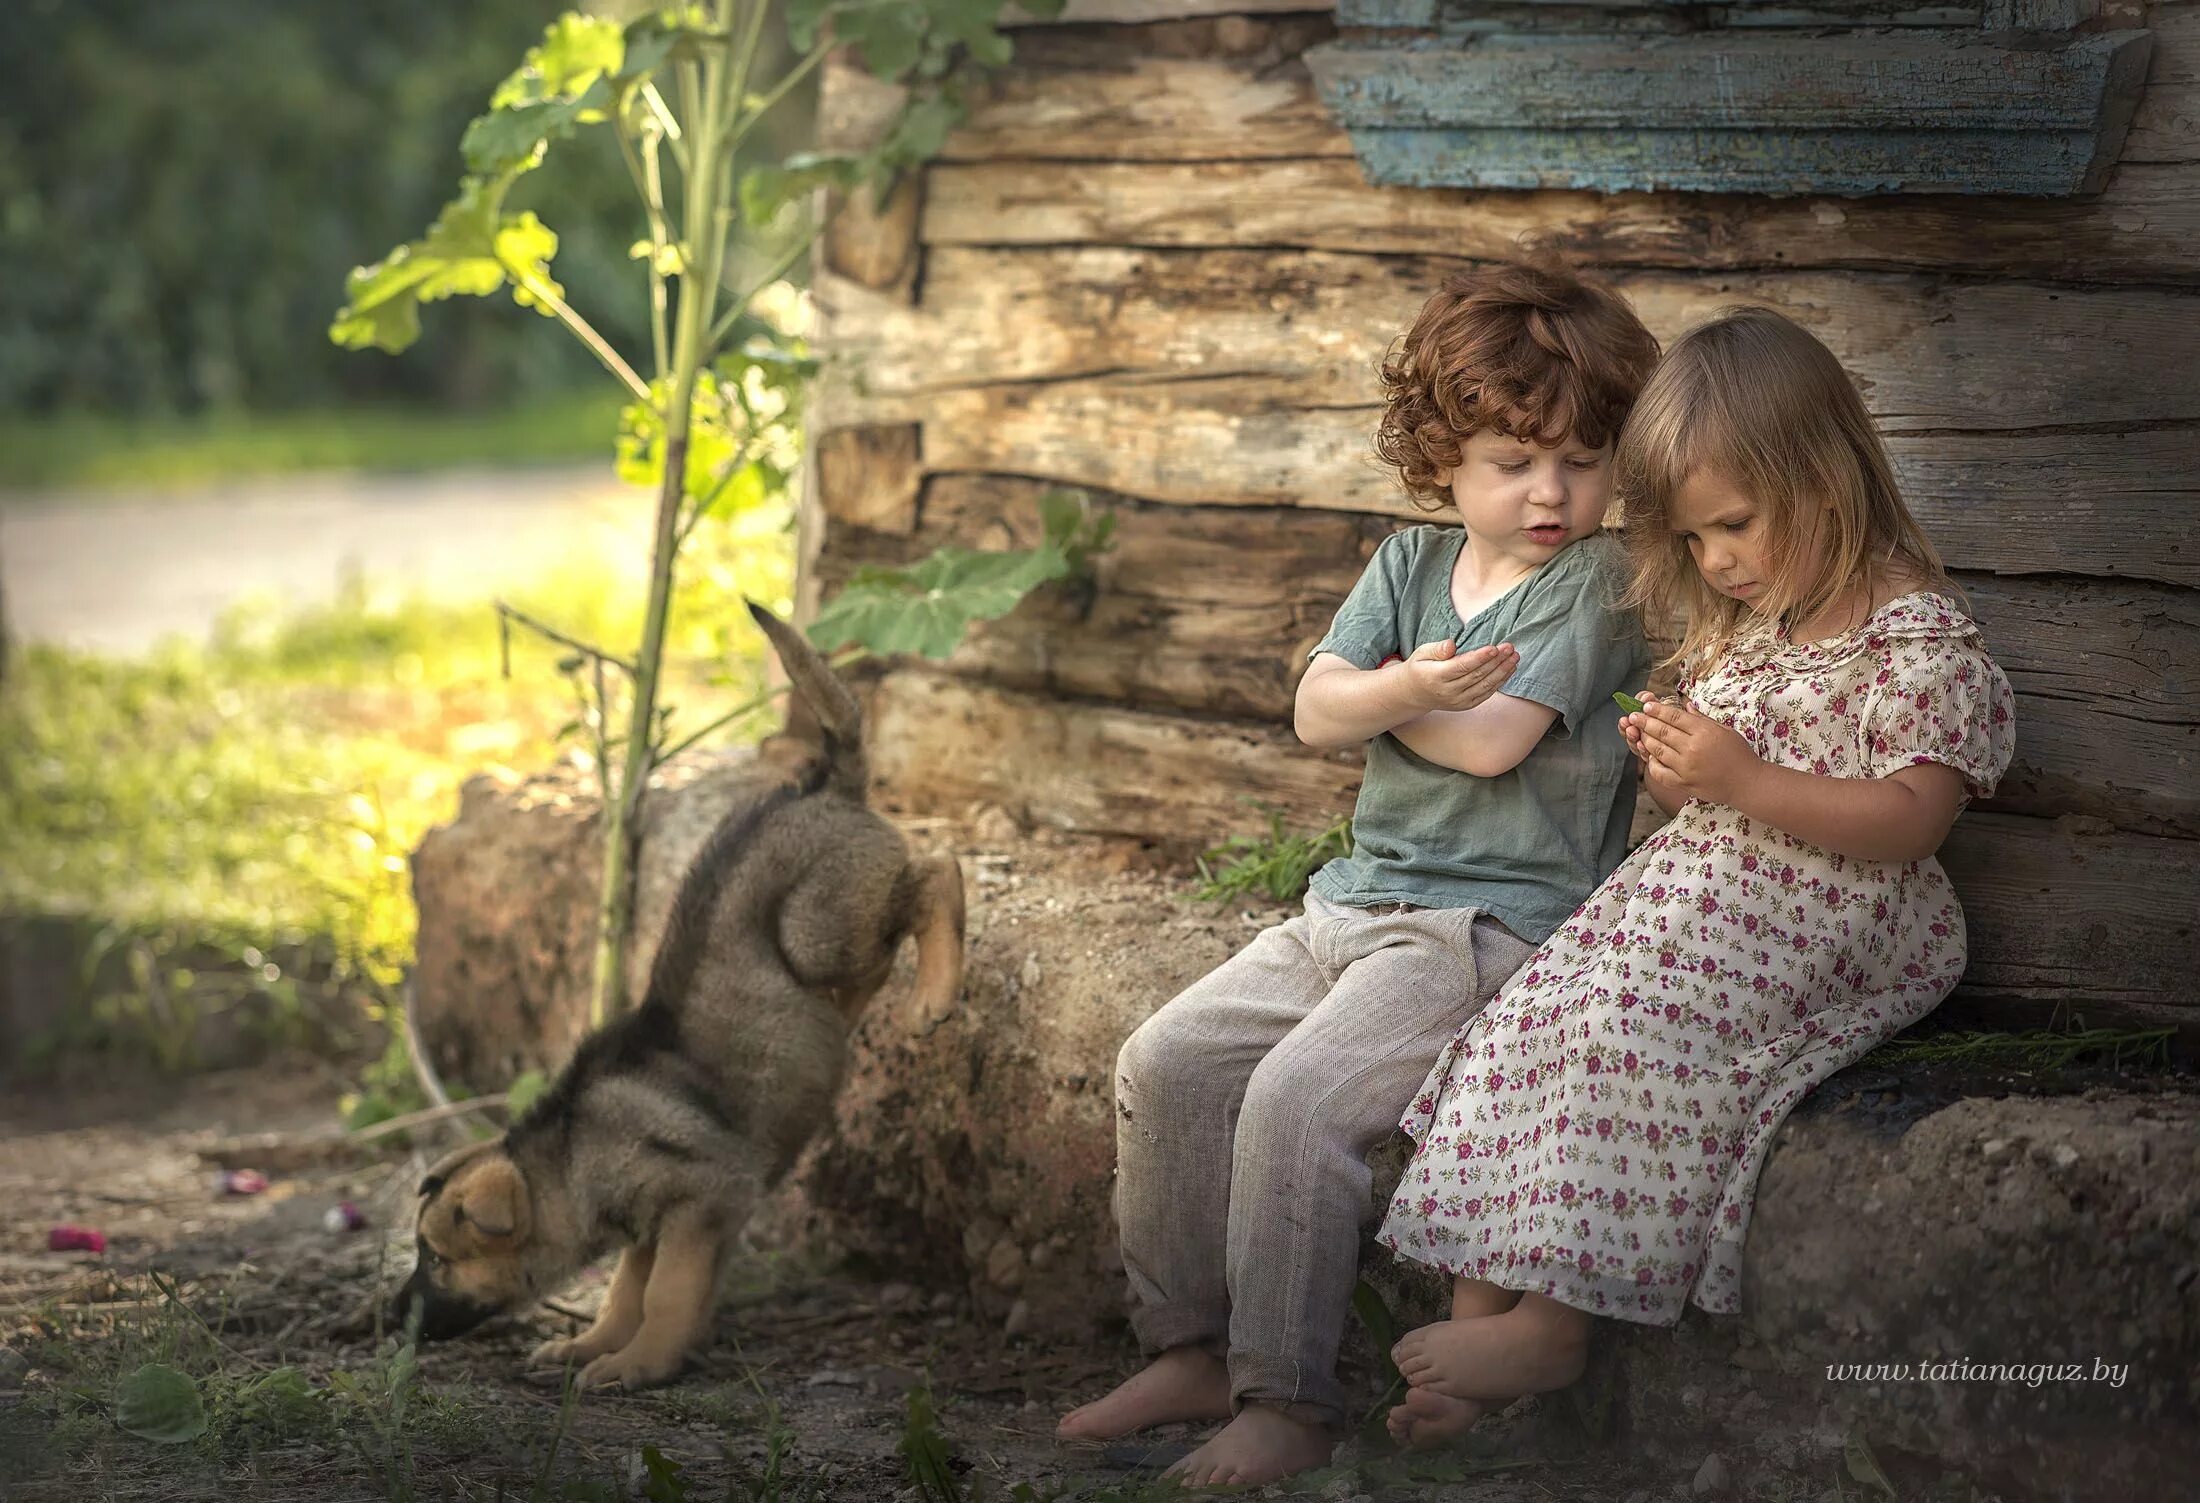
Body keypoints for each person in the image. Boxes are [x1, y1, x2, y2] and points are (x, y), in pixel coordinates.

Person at [1055, 260, 1658, 1487]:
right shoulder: (1405, 567)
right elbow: (1309, 713)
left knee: (1297, 1101)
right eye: (1512, 460)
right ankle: (1190, 1346)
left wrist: (1385, 702)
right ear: (1443, 458)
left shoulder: (1596, 581)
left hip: (1487, 928)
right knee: (1167, 1062)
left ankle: (1286, 1401)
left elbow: (1491, 743)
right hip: (1350, 904)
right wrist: (1397, 694)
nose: (1550, 491)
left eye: (1583, 461)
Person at [1374, 306, 2017, 1449]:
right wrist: (1681, 772)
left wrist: (1744, 778)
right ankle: (1481, 1328)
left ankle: (1555, 1322)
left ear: (1824, 478)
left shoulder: (1912, 640)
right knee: (1529, 1017)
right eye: (1693, 540)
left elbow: (1914, 821)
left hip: (1831, 911)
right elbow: (1708, 796)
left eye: (1732, 526)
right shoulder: (1755, 628)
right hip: (1698, 903)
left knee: (1627, 1026)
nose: (1714, 562)